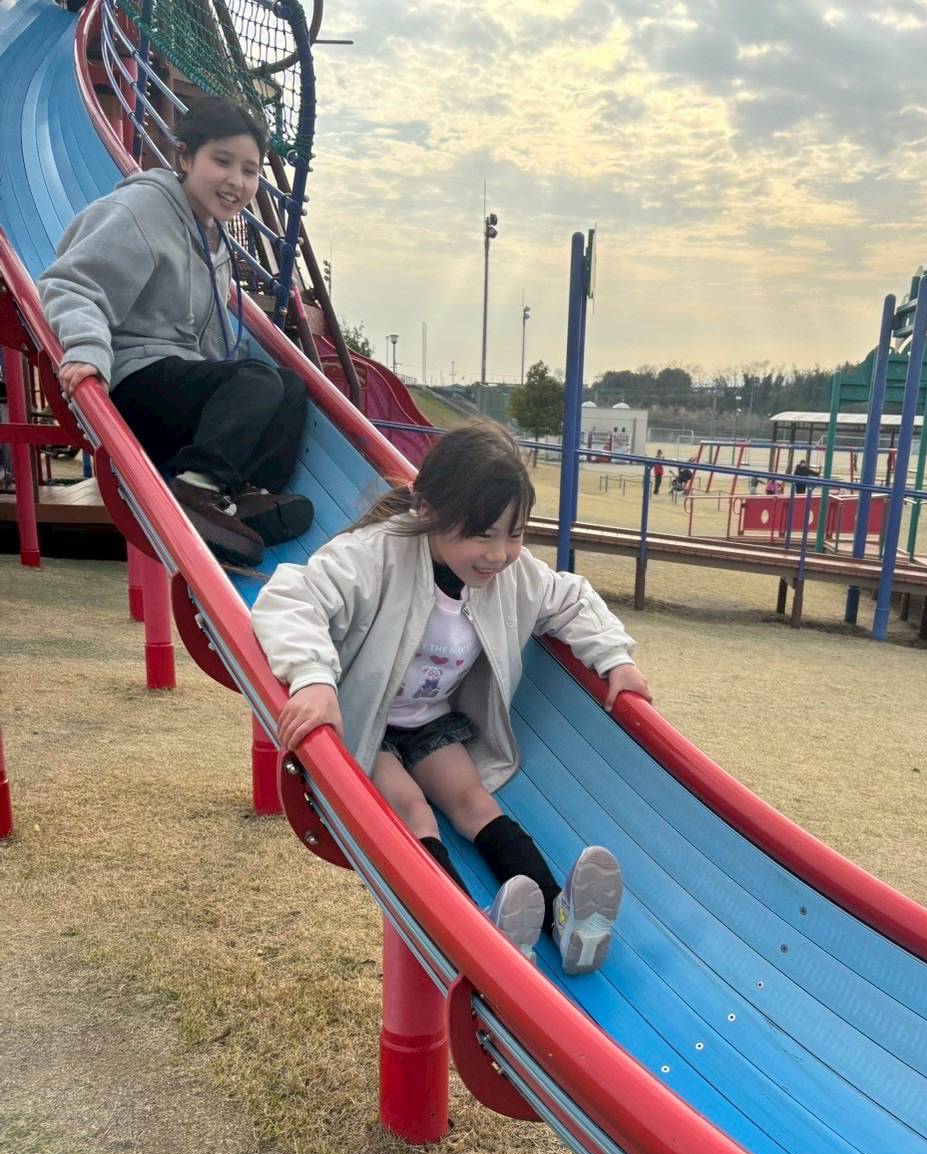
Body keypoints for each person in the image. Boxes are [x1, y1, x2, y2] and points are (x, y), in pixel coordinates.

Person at [251, 421, 653, 974]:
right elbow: (291, 596)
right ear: (429, 509)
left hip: (430, 719)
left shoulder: (513, 574)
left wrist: (615, 658)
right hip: (367, 720)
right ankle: (467, 930)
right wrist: (313, 677)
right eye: (481, 535)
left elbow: (572, 599)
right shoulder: (375, 554)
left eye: (514, 534)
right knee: (413, 808)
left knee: (474, 802)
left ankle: (563, 921)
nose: (499, 554)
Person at [39, 95, 311, 567]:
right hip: (130, 386)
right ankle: (196, 491)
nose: (237, 181)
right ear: (185, 157)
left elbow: (208, 342)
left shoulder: (214, 239)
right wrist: (87, 348)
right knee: (256, 379)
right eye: (221, 161)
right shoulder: (142, 209)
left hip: (175, 387)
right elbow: (70, 283)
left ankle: (245, 497)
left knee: (289, 384)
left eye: (249, 171)